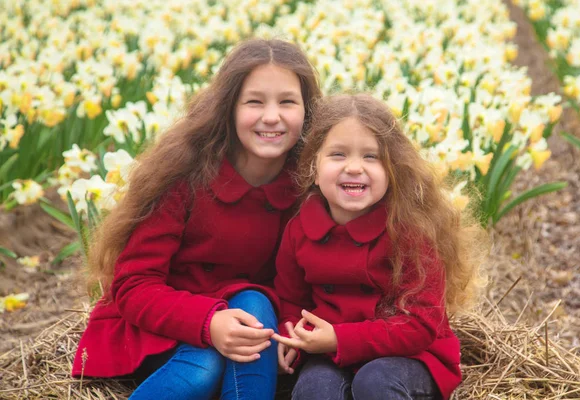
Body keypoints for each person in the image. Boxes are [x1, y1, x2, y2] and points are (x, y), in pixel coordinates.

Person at [71, 38, 321, 400]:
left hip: (252, 325)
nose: (271, 116)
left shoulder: (310, 184)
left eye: (287, 101)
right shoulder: (185, 175)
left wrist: (289, 328)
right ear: (229, 108)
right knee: (206, 366)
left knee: (253, 303)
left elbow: (309, 280)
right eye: (254, 101)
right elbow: (133, 285)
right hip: (163, 325)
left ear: (307, 110)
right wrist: (209, 323)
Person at [272, 94, 485, 400]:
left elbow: (420, 326)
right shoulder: (299, 230)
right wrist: (291, 332)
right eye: (338, 154)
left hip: (410, 355)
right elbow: (292, 298)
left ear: (392, 170)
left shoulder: (409, 232)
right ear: (313, 169)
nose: (355, 167)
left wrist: (340, 339)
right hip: (329, 352)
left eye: (371, 157)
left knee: (375, 382)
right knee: (314, 389)